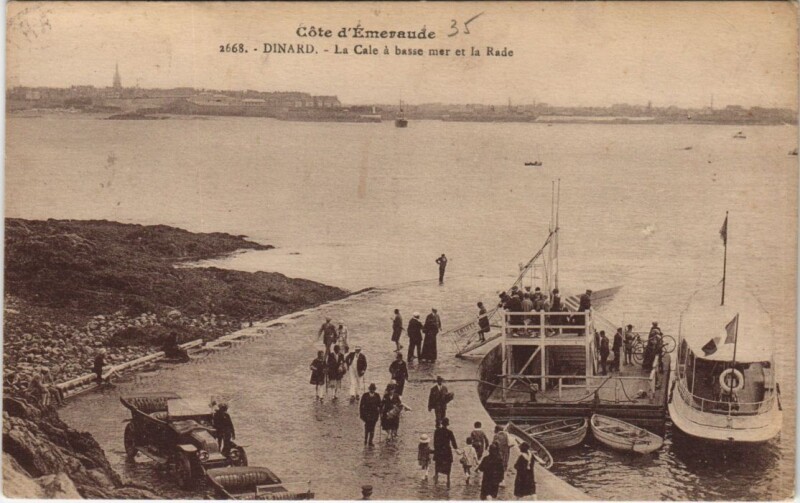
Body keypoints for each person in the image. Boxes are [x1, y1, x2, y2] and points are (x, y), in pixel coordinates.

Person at [433, 417, 458, 487]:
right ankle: (448, 477)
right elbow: (453, 442)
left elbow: (435, 442)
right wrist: (456, 448)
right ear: (447, 424)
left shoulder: (437, 431)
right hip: (447, 450)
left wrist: (436, 449)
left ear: (441, 423)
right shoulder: (449, 432)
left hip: (439, 449)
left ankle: (436, 474)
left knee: (438, 462)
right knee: (448, 463)